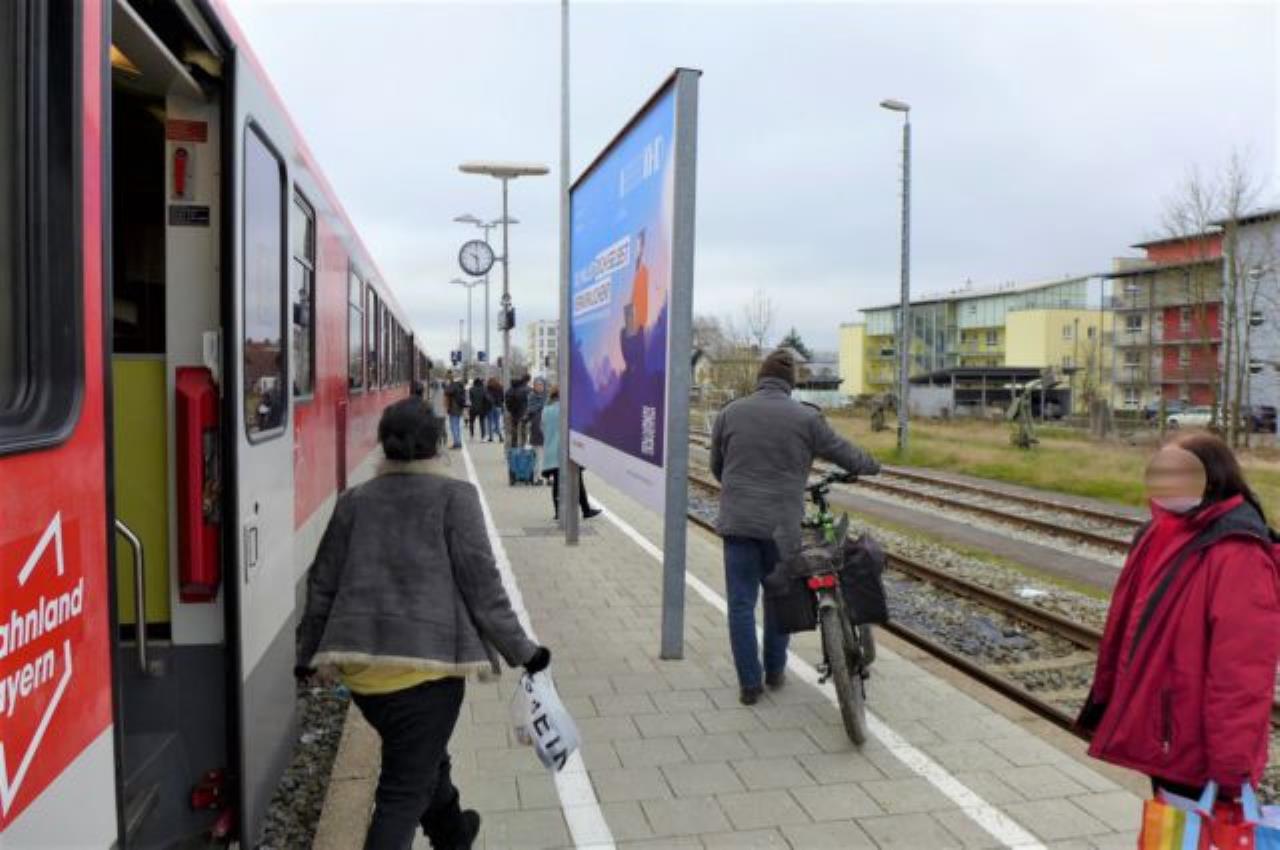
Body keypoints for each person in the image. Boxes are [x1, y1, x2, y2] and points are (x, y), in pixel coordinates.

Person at [295, 399, 551, 850]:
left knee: (425, 759)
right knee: (402, 792)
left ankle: (453, 836)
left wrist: (307, 655)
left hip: (364, 678)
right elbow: (483, 586)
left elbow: (323, 583)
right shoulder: (455, 497)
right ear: (438, 443)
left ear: (384, 444)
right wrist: (526, 653)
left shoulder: (354, 501)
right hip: (425, 677)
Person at [1078, 433, 1280, 802]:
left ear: (1210, 479)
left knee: (1189, 829)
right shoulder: (1161, 532)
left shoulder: (1238, 554)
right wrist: (1106, 702)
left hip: (1196, 748)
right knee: (1170, 826)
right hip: (1166, 732)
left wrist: (1231, 769)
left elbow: (1242, 673)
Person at [710, 348, 880, 706]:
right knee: (778, 600)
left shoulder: (730, 413)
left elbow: (717, 468)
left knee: (740, 605)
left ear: (760, 379)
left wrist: (740, 492)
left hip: (738, 523)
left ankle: (749, 686)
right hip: (781, 530)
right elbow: (845, 453)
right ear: (790, 385)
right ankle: (775, 672)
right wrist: (871, 464)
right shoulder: (806, 418)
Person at [539, 385, 601, 521]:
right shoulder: (568, 410)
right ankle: (586, 510)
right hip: (567, 450)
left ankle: (559, 512)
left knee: (557, 482)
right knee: (577, 480)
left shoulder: (546, 410)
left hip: (551, 451)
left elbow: (542, 429)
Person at [526, 377, 548, 477]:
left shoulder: (547, 397)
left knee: (544, 453)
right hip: (535, 427)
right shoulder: (531, 397)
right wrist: (540, 406)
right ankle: (537, 475)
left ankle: (542, 474)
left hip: (546, 427)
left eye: (541, 385)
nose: (539, 387)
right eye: (537, 385)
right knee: (537, 452)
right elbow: (530, 410)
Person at [505, 374, 531, 450]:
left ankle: (513, 448)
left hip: (513, 413)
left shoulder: (509, 390)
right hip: (523, 413)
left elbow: (507, 402)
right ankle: (523, 447)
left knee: (513, 432)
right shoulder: (526, 389)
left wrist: (510, 410)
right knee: (523, 431)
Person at [444, 372, 466, 450]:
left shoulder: (453, 385)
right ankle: (458, 442)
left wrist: (448, 384)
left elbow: (447, 392)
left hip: (454, 408)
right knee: (457, 426)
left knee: (454, 426)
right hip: (459, 408)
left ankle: (457, 443)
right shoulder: (461, 385)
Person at [485, 378, 505, 443]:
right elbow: (502, 398)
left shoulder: (488, 388)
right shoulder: (500, 387)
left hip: (490, 407)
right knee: (497, 422)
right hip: (498, 407)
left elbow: (486, 397)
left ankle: (491, 437)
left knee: (490, 422)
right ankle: (500, 436)